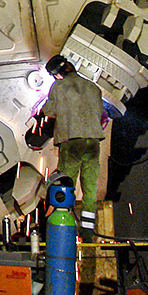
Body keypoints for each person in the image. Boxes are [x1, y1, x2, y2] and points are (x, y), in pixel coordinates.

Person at [34, 55, 105, 241]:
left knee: (65, 187)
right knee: (89, 188)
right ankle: (88, 233)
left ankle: (64, 230)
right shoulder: (93, 87)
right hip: (93, 142)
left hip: (71, 142)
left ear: (57, 74)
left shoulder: (59, 87)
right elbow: (100, 112)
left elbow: (49, 110)